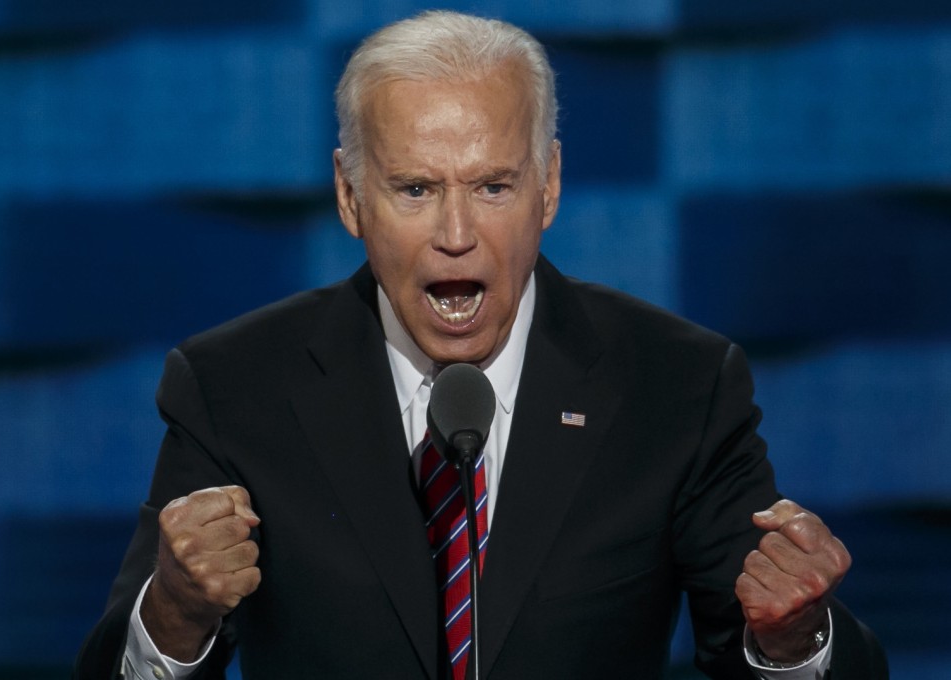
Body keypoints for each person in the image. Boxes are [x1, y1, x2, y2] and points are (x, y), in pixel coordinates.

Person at [75, 10, 887, 680]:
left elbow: (759, 647)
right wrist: (176, 614)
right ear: (351, 197)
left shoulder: (678, 384)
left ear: (550, 186)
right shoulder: (233, 385)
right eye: (416, 189)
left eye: (493, 186)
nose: (456, 235)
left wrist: (792, 644)